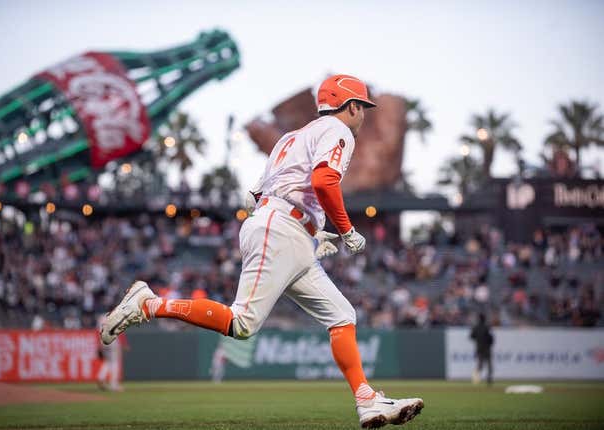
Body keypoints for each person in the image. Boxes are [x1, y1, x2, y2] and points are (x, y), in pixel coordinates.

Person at [101, 74, 423, 428]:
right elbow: (323, 181)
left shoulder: (291, 138)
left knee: (342, 315)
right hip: (281, 228)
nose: (363, 115)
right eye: (362, 106)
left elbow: (255, 194)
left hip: (285, 228)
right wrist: (344, 229)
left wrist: (315, 233)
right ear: (350, 105)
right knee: (241, 323)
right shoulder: (338, 131)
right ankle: (149, 304)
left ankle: (367, 401)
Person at [470, 313, 494, 385]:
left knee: (480, 364)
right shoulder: (487, 327)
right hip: (486, 348)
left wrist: (478, 340)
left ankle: (476, 379)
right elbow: (491, 338)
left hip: (479, 348)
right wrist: (489, 343)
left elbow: (471, 336)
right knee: (489, 364)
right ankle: (488, 378)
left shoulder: (476, 327)